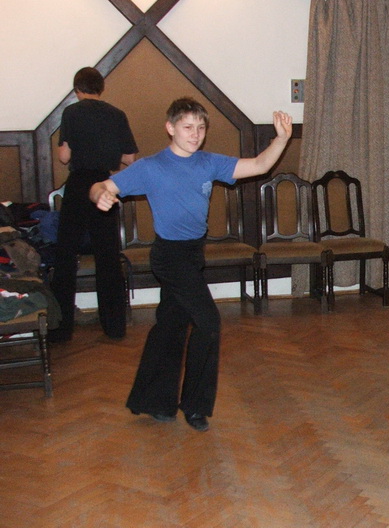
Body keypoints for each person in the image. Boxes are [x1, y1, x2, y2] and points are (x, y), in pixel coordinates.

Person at [90, 97, 293, 432]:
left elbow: (259, 165)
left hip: (194, 253)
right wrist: (100, 194)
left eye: (200, 127)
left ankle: (154, 401)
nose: (195, 134)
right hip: (169, 256)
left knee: (170, 325)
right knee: (208, 322)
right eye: (187, 127)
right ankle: (195, 406)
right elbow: (101, 186)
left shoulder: (208, 162)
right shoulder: (151, 167)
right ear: (170, 128)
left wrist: (282, 139)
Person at [48, 67, 138, 343]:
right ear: (101, 88)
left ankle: (61, 329)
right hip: (105, 186)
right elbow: (130, 159)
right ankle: (114, 326)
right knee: (108, 257)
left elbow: (64, 157)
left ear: (77, 90)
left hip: (78, 186)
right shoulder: (117, 114)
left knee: (66, 256)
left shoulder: (71, 112)